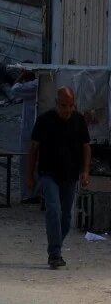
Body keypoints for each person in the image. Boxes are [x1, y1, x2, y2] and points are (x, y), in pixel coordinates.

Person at [27, 86, 93, 269]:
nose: (67, 110)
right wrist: (29, 176)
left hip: (70, 175)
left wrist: (85, 171)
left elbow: (86, 147)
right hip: (48, 173)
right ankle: (55, 253)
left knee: (65, 217)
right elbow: (33, 148)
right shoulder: (44, 120)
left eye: (71, 106)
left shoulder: (78, 120)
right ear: (57, 103)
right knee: (53, 209)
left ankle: (55, 245)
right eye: (64, 105)